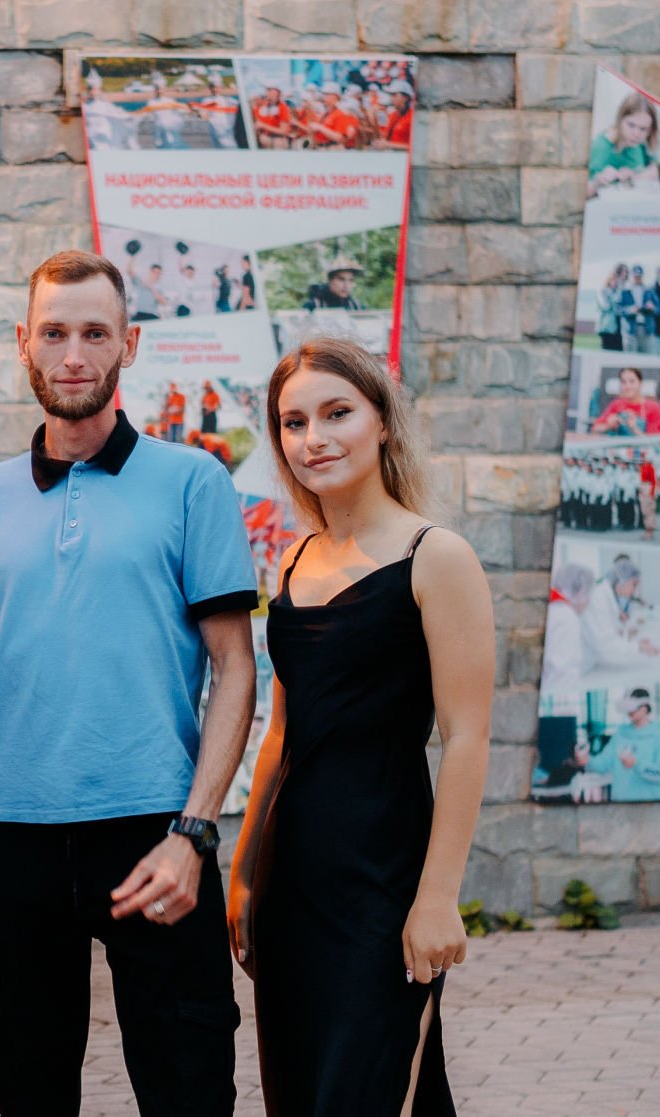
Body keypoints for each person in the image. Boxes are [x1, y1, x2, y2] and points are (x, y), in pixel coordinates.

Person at [0, 251, 259, 1116]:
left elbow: (235, 666)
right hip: (11, 843)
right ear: (23, 344)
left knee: (190, 1090)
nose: (73, 354)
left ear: (129, 344)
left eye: (95, 333)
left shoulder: (194, 481)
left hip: (155, 833)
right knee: (27, 1093)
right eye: (54, 333)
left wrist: (195, 832)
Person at [228, 337, 492, 1115]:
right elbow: (282, 733)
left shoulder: (435, 556)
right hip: (292, 879)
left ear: (382, 421)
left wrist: (438, 897)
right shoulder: (293, 562)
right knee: (299, 1093)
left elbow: (468, 736)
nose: (315, 437)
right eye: (294, 422)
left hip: (385, 877)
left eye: (337, 412)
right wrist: (244, 871)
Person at [578, 691, 660, 802]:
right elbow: (604, 762)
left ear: (645, 708)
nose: (630, 712)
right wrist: (588, 760)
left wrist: (636, 764)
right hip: (621, 803)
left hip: (649, 804)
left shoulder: (658, 735)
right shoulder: (621, 734)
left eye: (634, 708)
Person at [587, 92, 658, 196]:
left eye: (643, 129)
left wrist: (633, 176)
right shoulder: (600, 147)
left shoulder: (639, 144)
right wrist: (598, 181)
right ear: (620, 120)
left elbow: (656, 169)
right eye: (631, 125)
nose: (636, 134)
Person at [589, 367, 660, 436]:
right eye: (623, 382)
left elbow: (654, 441)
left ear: (640, 383)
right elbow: (594, 430)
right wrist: (608, 426)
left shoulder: (653, 407)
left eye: (632, 381)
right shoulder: (616, 404)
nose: (627, 386)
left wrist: (634, 428)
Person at [252, 84, 295, 149]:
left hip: (277, 139)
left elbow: (284, 131)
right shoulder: (262, 106)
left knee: (277, 143)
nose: (269, 93)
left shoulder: (282, 107)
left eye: (271, 90)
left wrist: (263, 126)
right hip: (262, 138)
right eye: (268, 90)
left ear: (278, 93)